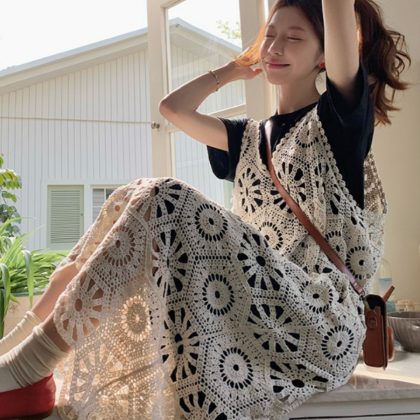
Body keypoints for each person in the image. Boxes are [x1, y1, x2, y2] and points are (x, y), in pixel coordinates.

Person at [0, 0, 411, 418]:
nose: (275, 47)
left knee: (164, 197)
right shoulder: (248, 138)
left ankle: (27, 367)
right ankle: (15, 347)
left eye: (293, 38)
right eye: (270, 35)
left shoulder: (340, 121)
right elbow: (172, 109)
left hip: (318, 319)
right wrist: (232, 69)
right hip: (257, 302)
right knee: (130, 197)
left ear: (324, 57)